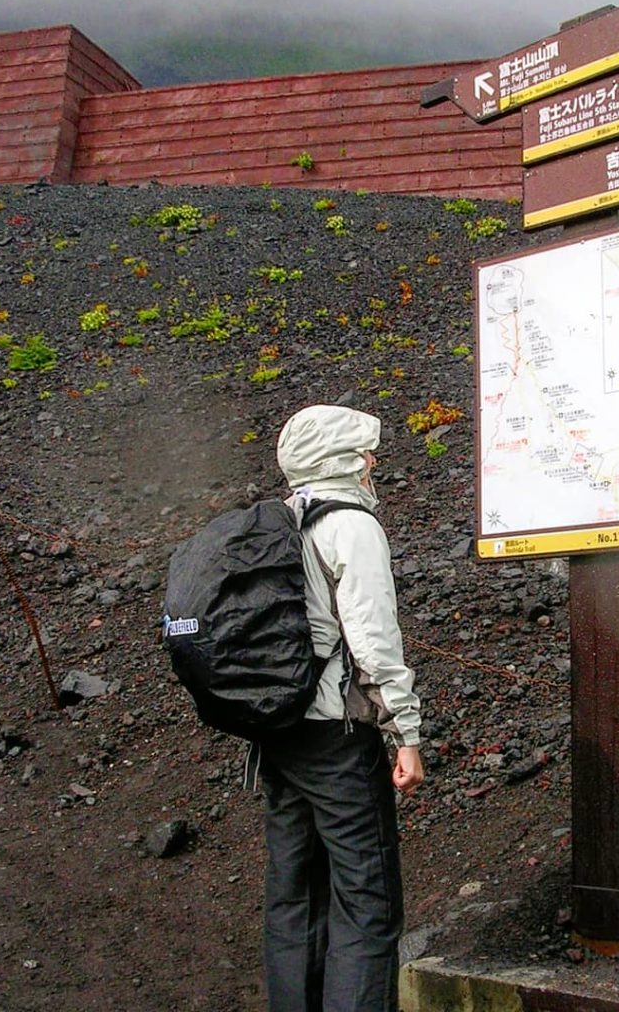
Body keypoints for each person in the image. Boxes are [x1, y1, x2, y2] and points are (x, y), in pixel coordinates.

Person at [259, 404, 423, 1012]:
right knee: (365, 904)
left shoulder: (279, 524)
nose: (372, 463)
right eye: (363, 454)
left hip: (279, 735)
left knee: (295, 900)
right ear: (342, 463)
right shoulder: (351, 525)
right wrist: (405, 732)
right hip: (336, 737)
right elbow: (374, 641)